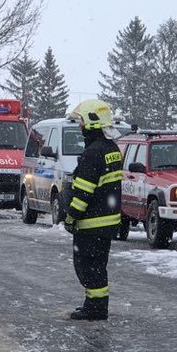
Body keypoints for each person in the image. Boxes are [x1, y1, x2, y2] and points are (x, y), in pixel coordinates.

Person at [63, 99, 124, 321]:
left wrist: (71, 217)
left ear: (91, 122)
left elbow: (83, 193)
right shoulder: (112, 149)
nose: (78, 125)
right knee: (98, 267)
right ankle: (95, 305)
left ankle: (95, 309)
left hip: (91, 224)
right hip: (107, 222)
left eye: (80, 121)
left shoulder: (92, 154)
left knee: (88, 268)